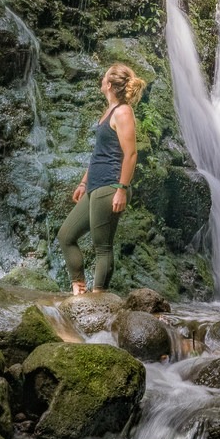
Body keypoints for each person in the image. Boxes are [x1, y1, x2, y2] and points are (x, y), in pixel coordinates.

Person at [57, 62, 144, 294]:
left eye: (104, 78)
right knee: (66, 235)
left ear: (109, 84)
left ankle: (99, 297)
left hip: (111, 186)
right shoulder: (109, 112)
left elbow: (131, 154)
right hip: (95, 186)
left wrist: (122, 189)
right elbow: (99, 153)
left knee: (102, 247)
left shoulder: (124, 112)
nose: (101, 81)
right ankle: (79, 287)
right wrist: (84, 183)